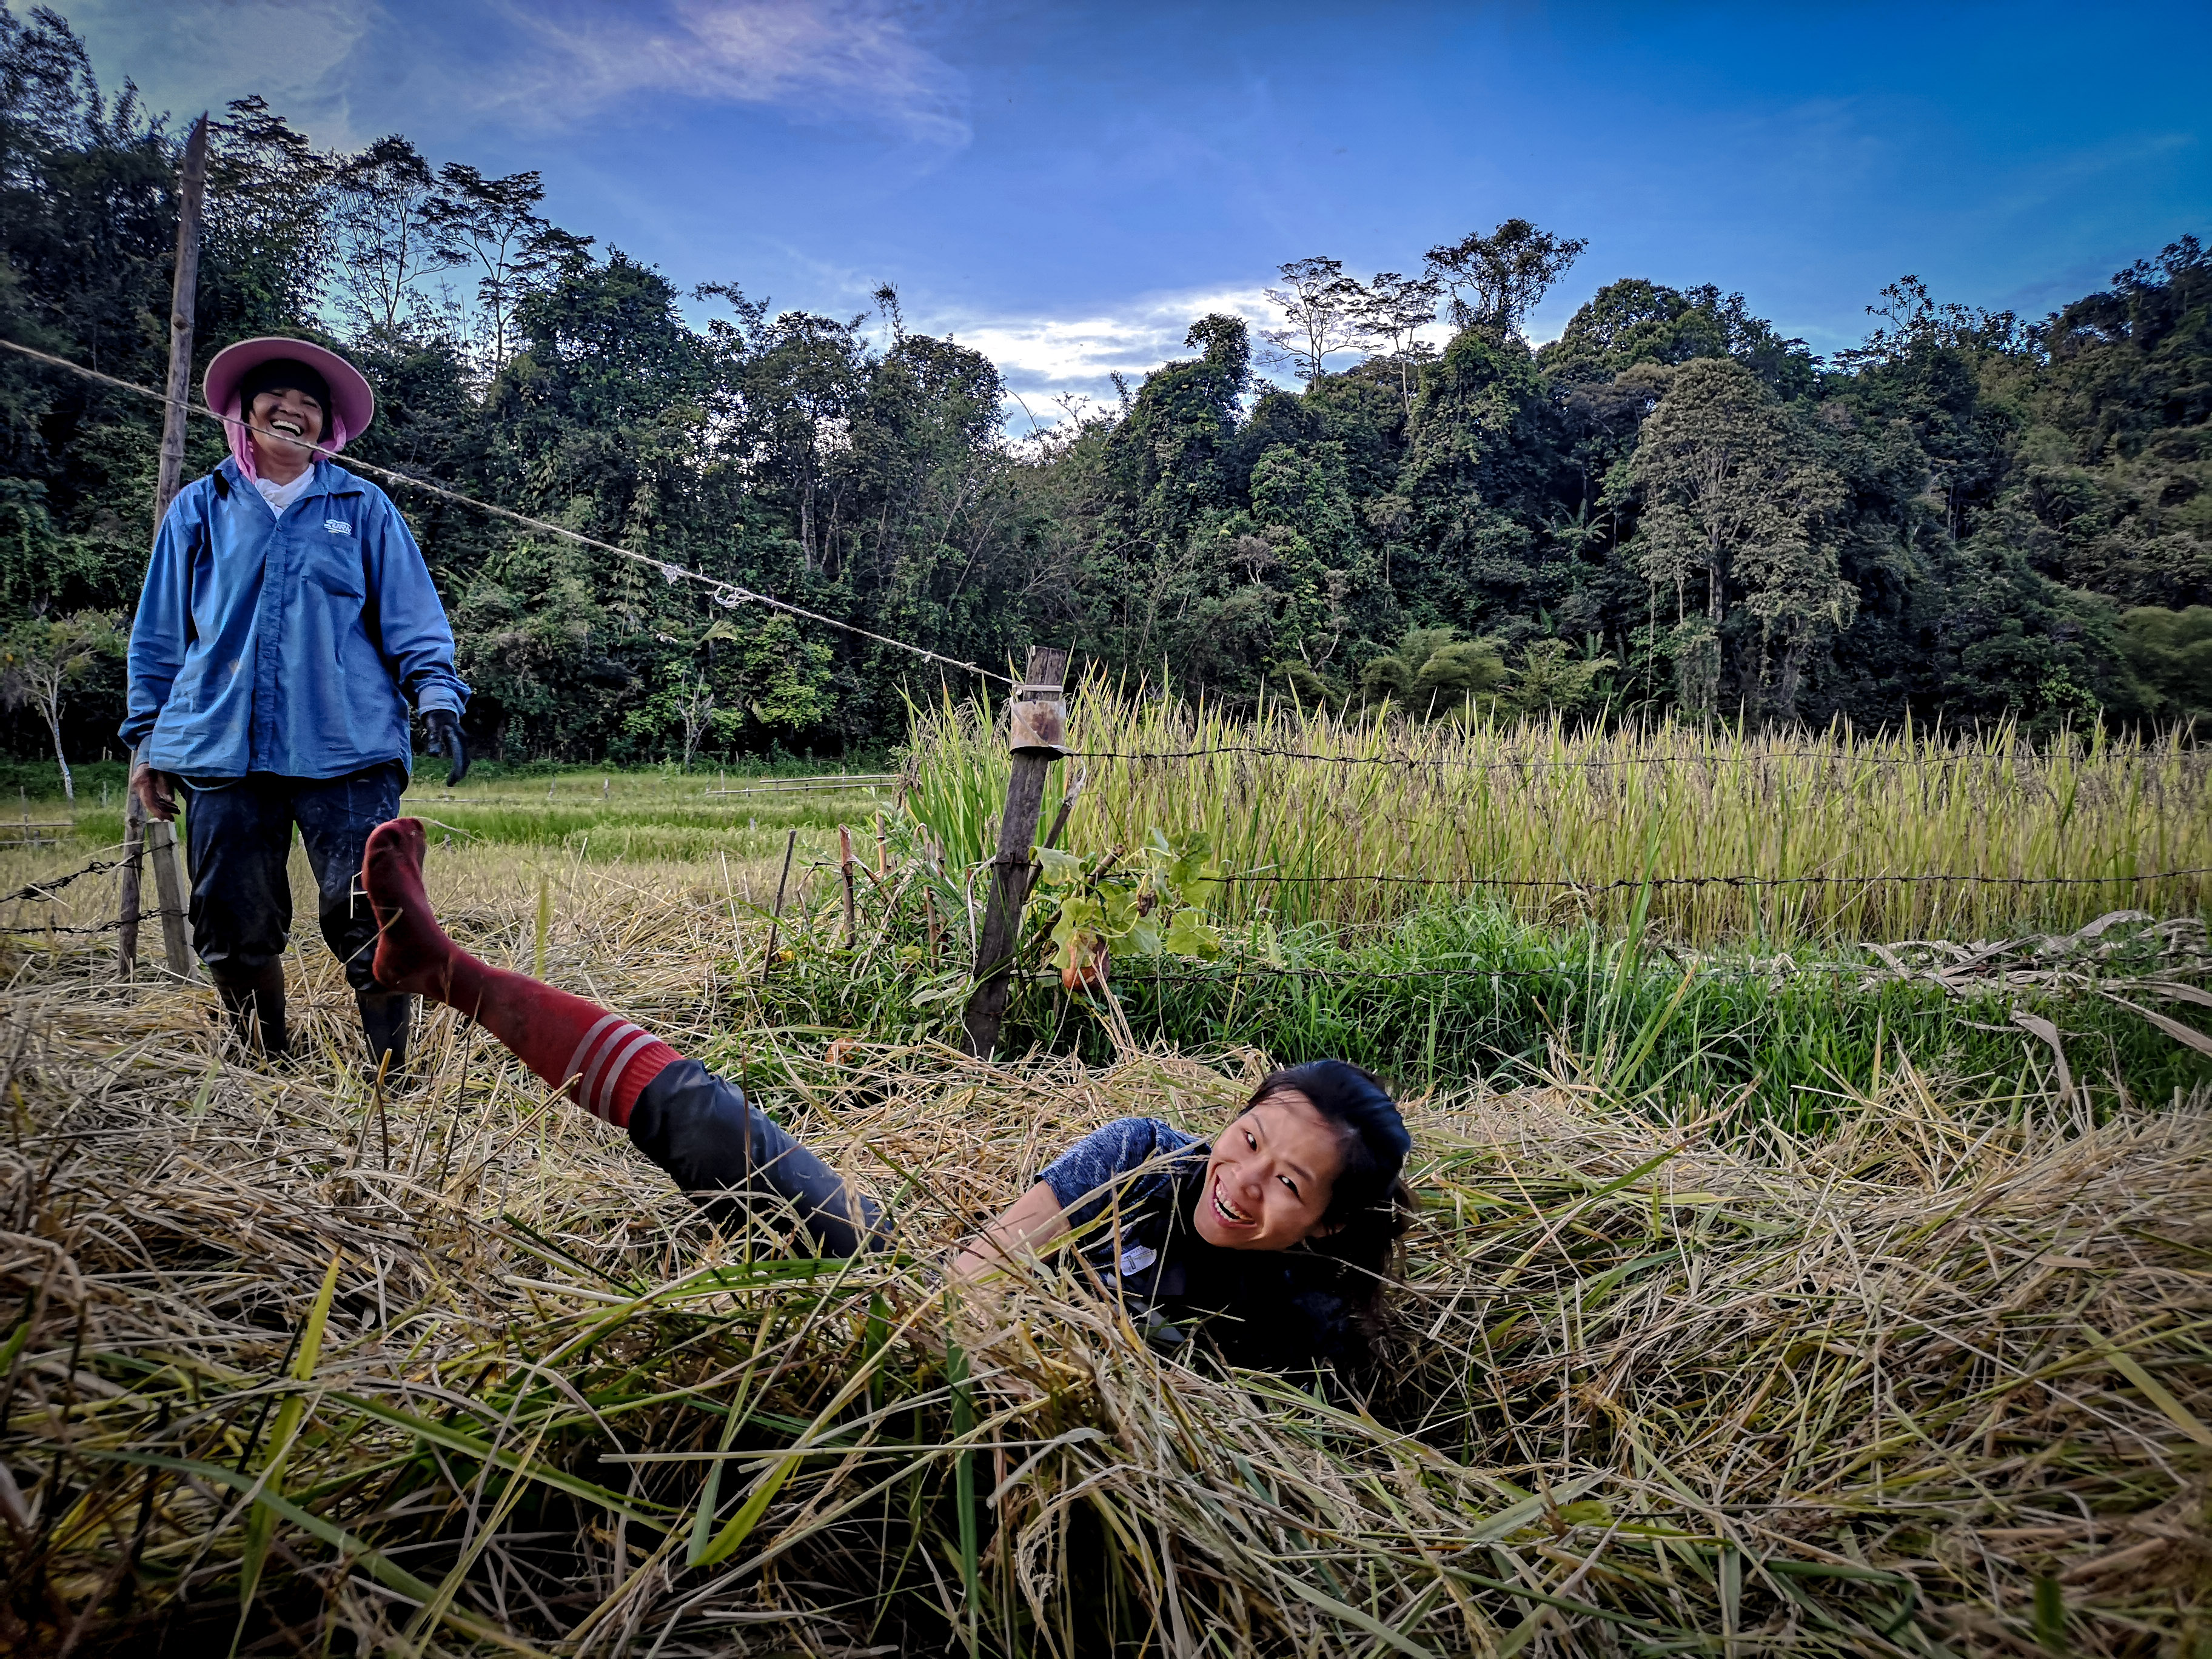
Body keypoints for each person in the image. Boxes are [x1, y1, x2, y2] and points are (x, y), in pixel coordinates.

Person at [361, 817, 1416, 1375]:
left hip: (1061, 1470)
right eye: (1247, 1140)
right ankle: (450, 971)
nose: (1242, 1184)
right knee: (723, 1136)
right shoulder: (1144, 1152)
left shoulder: (1306, 1324)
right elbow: (974, 1272)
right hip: (931, 1328)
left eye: (1290, 1185)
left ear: (1323, 1223)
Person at [122, 338, 472, 1071]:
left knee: (373, 913)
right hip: (221, 744)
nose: (294, 412)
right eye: (277, 399)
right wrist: (146, 742)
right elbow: (159, 637)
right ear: (243, 414)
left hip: (347, 745)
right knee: (231, 919)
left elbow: (413, 617)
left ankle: (389, 1072)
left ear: (327, 426)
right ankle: (265, 1058)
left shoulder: (362, 505)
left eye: (311, 404)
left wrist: (437, 694)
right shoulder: (201, 507)